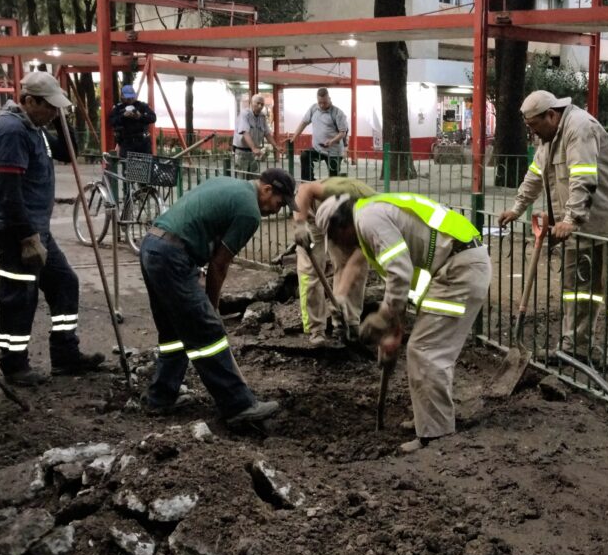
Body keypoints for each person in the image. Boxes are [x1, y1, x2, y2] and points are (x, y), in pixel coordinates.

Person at [316, 192, 491, 453]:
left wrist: (383, 315)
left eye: (335, 239)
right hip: (455, 267)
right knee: (423, 346)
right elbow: (409, 277)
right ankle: (428, 419)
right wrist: (396, 330)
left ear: (341, 227)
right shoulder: (374, 213)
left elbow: (399, 270)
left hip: (458, 270)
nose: (339, 246)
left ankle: (436, 436)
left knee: (426, 351)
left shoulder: (368, 219)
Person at [138, 168, 297, 426]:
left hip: (153, 247)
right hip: (172, 256)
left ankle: (161, 397)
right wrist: (212, 307)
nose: (278, 211)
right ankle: (238, 405)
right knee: (208, 332)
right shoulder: (249, 212)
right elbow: (219, 264)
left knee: (173, 332)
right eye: (279, 204)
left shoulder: (229, 184)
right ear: (267, 190)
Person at [498, 90, 608, 361]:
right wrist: (517, 208)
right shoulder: (548, 138)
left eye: (534, 126)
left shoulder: (580, 128)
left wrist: (570, 220)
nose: (532, 133)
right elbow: (535, 175)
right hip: (582, 226)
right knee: (578, 290)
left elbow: (583, 177)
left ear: (551, 115)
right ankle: (575, 349)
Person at [0, 71, 105, 387]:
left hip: (38, 229)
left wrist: (65, 119)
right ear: (28, 100)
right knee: (19, 297)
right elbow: (9, 191)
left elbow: (67, 153)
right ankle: (14, 365)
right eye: (48, 106)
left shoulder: (33, 128)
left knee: (65, 283)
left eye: (56, 108)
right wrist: (26, 237)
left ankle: (65, 355)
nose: (52, 113)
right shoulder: (12, 132)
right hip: (17, 232)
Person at [291, 177, 377, 346]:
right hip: (312, 209)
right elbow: (304, 190)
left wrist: (341, 295)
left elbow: (356, 263)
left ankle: (348, 323)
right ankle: (316, 328)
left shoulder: (373, 221)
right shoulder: (336, 191)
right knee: (311, 269)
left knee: (351, 266)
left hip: (349, 218)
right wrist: (300, 224)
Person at [288, 87, 348, 181]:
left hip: (333, 151)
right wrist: (295, 136)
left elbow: (343, 133)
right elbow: (304, 122)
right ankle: (308, 183)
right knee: (305, 156)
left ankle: (334, 191)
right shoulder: (314, 108)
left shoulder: (338, 113)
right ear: (317, 100)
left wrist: (332, 141)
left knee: (333, 178)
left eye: (325, 102)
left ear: (329, 99)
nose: (322, 105)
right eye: (320, 102)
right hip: (318, 148)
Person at [233, 94, 281, 173]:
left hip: (254, 152)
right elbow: (245, 132)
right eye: (258, 103)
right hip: (242, 151)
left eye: (262, 104)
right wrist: (253, 148)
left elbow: (267, 133)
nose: (260, 106)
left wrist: (276, 146)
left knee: (254, 176)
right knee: (242, 176)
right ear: (251, 103)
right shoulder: (245, 114)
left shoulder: (262, 116)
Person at [108, 84, 157, 157]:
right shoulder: (118, 108)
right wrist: (123, 116)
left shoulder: (142, 106)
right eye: (127, 97)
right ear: (122, 96)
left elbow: (153, 118)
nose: (130, 99)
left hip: (143, 143)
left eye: (131, 97)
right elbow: (112, 121)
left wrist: (140, 116)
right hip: (127, 143)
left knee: (145, 166)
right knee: (127, 166)